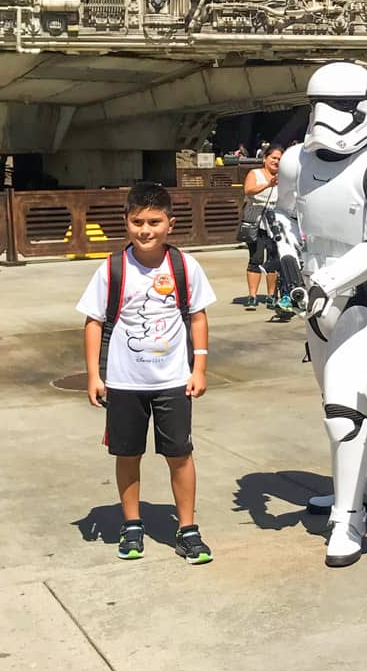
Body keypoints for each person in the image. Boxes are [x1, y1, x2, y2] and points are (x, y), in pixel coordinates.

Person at [274, 63, 367, 568]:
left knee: (343, 413)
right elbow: (283, 216)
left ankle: (348, 519)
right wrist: (289, 261)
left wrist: (321, 285)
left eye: (335, 106)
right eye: (316, 105)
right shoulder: (297, 161)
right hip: (314, 297)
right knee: (346, 405)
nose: (323, 118)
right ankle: (365, 485)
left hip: (359, 297)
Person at [77, 182, 216, 563]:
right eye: (137, 221)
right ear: (126, 222)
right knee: (127, 453)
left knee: (180, 454)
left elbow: (198, 316)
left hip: (173, 379)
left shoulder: (185, 266)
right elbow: (93, 322)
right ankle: (132, 524)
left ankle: (187, 529)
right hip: (124, 381)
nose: (145, 230)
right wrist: (94, 374)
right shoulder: (112, 268)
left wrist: (199, 366)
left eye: (154, 221)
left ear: (170, 223)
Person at [242, 143, 283, 310]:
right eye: (273, 158)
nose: (276, 162)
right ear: (265, 158)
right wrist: (268, 184)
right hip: (256, 219)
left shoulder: (284, 176)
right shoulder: (255, 173)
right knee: (255, 259)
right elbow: (248, 190)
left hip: (275, 221)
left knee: (273, 260)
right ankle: (252, 296)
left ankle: (271, 295)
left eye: (280, 159)